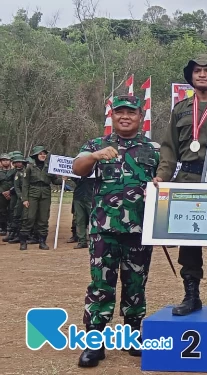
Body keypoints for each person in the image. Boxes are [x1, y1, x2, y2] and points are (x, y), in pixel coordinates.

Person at [73, 95, 159, 367]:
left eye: (130, 113)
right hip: (103, 229)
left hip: (140, 229)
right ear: (112, 116)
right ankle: (94, 343)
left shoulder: (154, 148)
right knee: (100, 285)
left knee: (136, 284)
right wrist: (95, 157)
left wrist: (161, 181)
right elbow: (78, 168)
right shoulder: (96, 145)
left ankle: (133, 336)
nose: (125, 116)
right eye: (119, 112)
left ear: (140, 116)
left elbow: (167, 179)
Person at [153, 55, 207, 317]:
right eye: (197, 71)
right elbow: (168, 149)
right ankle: (191, 296)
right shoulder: (180, 109)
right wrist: (162, 177)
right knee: (188, 240)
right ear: (191, 77)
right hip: (186, 178)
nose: (202, 75)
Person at [19, 146, 63, 250]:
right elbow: (25, 184)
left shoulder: (50, 167)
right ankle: (23, 241)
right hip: (32, 193)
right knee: (29, 217)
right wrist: (24, 199)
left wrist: (63, 179)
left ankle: (42, 242)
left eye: (44, 154)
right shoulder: (30, 167)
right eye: (40, 154)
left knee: (43, 218)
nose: (43, 155)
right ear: (35, 156)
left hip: (45, 193)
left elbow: (55, 181)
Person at [4, 153, 27, 244]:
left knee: (23, 215)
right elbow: (8, 177)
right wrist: (13, 169)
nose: (18, 164)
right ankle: (14, 233)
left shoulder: (26, 171)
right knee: (14, 213)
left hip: (25, 195)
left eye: (20, 162)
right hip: (17, 195)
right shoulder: (15, 172)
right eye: (16, 162)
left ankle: (21, 234)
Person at [72, 174, 94, 249]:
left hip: (92, 196)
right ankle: (82, 241)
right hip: (79, 196)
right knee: (79, 220)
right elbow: (74, 177)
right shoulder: (79, 168)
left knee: (94, 220)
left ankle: (94, 240)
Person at [0, 153, 14, 236]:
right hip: (1, 195)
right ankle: (3, 228)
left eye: (7, 160)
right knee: (2, 211)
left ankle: (11, 229)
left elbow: (16, 183)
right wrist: (3, 192)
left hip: (13, 193)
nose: (5, 162)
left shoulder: (14, 171)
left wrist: (10, 191)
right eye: (3, 160)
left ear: (10, 161)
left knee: (12, 211)